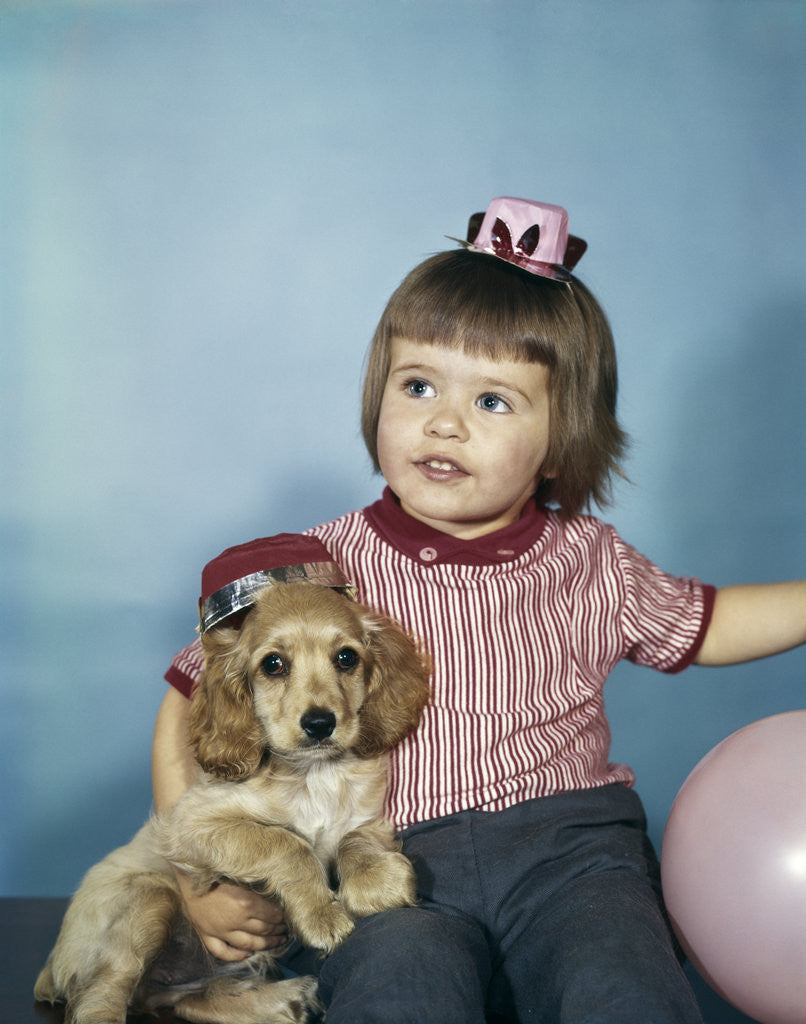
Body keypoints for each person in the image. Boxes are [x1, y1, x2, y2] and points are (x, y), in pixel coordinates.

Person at [152, 196, 806, 1023]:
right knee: (396, 989)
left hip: (571, 852)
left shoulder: (590, 560)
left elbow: (707, 624)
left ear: (559, 440)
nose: (445, 423)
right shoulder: (316, 568)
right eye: (418, 385)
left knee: (621, 981)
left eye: (493, 402)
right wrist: (197, 881)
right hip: (388, 857)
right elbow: (188, 699)